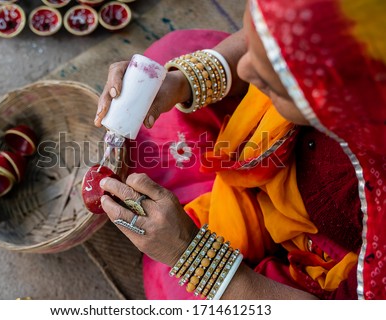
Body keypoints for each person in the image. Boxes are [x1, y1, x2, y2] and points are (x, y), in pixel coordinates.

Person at [94, 0, 386, 299]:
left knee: (183, 293)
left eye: (275, 78)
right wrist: (181, 83)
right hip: (273, 145)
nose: (246, 69)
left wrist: (189, 254)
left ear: (333, 104)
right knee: (168, 57)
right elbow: (252, 48)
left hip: (317, 253)